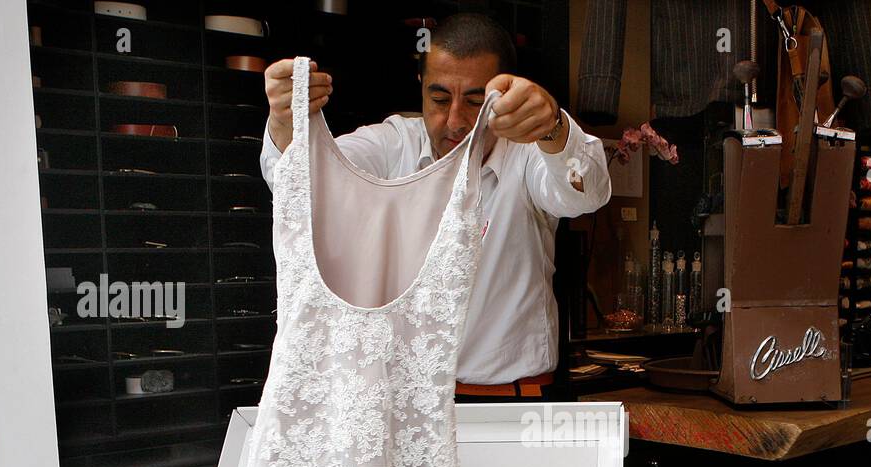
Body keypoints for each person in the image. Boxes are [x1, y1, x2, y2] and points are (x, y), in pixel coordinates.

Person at [259, 12, 611, 398]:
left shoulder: (528, 156)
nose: (455, 121)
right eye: (440, 98)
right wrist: (283, 123)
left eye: (476, 102)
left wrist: (553, 129)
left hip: (511, 401)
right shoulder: (395, 144)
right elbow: (300, 184)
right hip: (405, 409)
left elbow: (586, 193)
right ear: (421, 87)